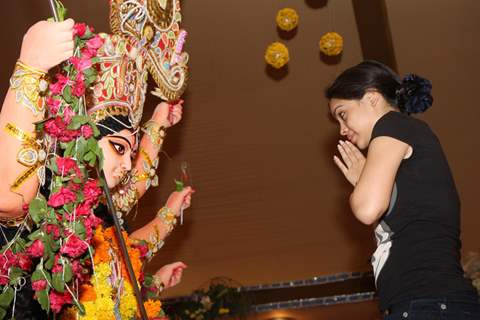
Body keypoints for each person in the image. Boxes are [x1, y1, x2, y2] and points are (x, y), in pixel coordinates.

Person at [0, 15, 191, 319]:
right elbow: (10, 197)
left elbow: (129, 249)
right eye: (118, 148)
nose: (128, 165)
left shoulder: (93, 214)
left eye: (131, 153)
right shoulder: (44, 200)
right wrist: (30, 67)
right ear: (81, 137)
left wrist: (156, 125)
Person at [326, 60, 480, 319]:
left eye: (342, 113)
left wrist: (361, 188)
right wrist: (365, 179)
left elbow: (367, 209)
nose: (342, 129)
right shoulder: (408, 138)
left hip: (428, 303)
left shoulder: (392, 124)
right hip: (432, 303)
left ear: (372, 98)